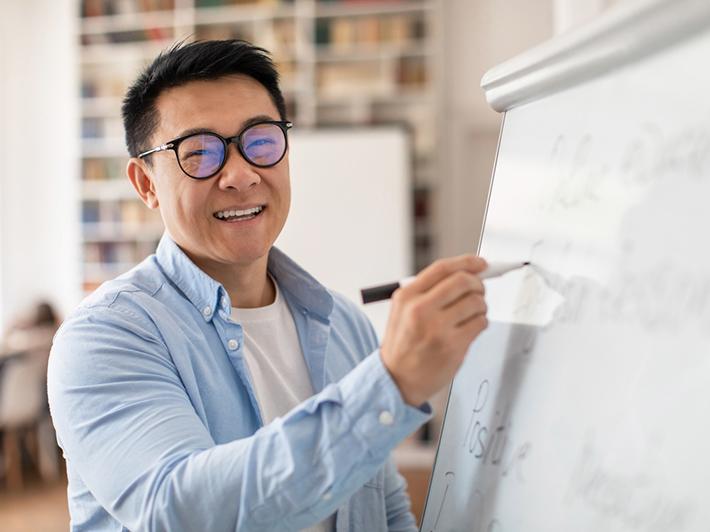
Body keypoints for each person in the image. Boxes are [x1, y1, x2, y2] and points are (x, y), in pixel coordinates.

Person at [47, 40, 488, 532]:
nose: (240, 175)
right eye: (199, 153)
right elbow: (179, 511)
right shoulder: (104, 336)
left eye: (260, 141)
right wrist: (390, 386)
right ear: (146, 184)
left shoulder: (344, 325)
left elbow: (384, 510)